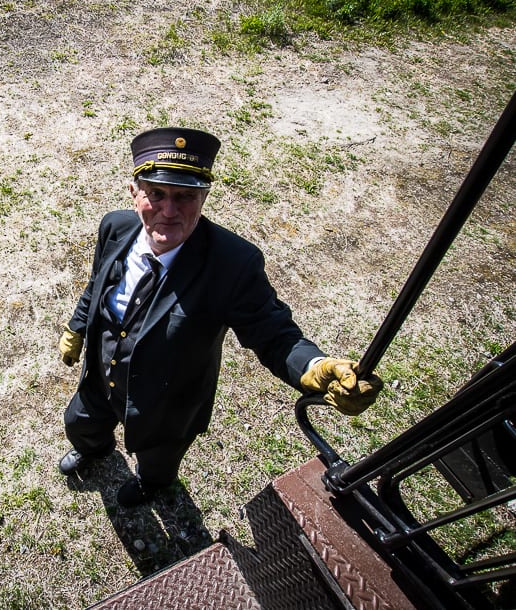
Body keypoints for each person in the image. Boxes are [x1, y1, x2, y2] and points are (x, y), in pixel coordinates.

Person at [57, 127, 383, 507]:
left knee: (158, 460)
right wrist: (78, 326)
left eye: (185, 197)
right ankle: (94, 448)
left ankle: (151, 484)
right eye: (157, 194)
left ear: (204, 197)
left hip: (165, 401)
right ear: (134, 192)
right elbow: (97, 283)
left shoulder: (232, 264)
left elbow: (274, 334)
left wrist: (313, 367)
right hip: (101, 373)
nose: (168, 210)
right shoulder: (115, 227)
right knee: (80, 422)